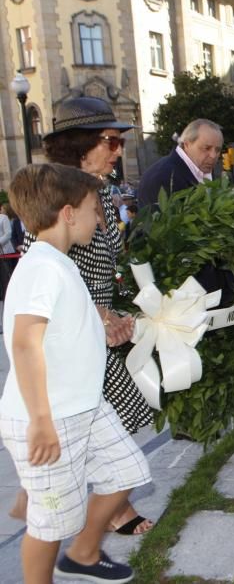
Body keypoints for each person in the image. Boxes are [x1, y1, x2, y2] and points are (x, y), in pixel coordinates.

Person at [1, 164, 152, 584]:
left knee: (127, 471)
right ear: (68, 213)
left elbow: (66, 329)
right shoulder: (43, 267)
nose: (99, 219)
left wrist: (106, 328)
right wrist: (42, 422)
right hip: (50, 415)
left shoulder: (62, 264)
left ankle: (83, 555)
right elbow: (25, 343)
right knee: (49, 523)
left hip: (84, 406)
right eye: (92, 209)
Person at [16, 96, 152, 536]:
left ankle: (40, 494)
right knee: (110, 415)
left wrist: (118, 307)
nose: (118, 150)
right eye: (110, 141)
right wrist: (95, 311)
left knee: (115, 415)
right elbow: (38, 258)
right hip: (74, 325)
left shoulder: (105, 192)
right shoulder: (61, 195)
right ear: (80, 146)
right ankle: (107, 512)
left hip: (100, 319)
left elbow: (109, 259)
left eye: (121, 142)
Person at [137, 119, 223, 208]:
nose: (213, 156)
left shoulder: (201, 168)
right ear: (187, 144)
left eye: (217, 150)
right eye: (206, 148)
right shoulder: (163, 178)